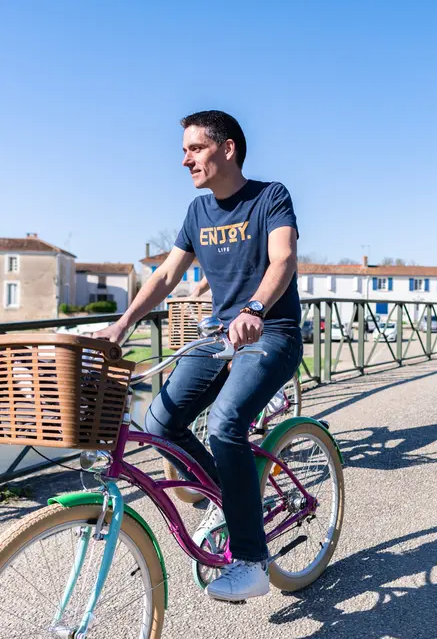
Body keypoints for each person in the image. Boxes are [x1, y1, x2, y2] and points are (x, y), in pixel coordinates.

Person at [94, 110, 303, 602]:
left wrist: (255, 307)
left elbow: (284, 259)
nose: (184, 158)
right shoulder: (197, 214)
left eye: (194, 148)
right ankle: (228, 497)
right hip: (219, 335)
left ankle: (251, 561)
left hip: (270, 329)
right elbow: (166, 277)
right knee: (158, 419)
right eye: (184, 149)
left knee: (225, 423)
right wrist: (124, 322)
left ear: (226, 149)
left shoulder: (270, 197)